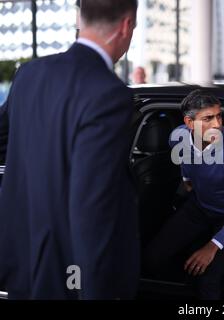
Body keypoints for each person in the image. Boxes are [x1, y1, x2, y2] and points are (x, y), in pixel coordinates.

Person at [0, 0, 140, 299]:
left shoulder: (28, 75)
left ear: (81, 17)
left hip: (22, 268)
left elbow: (5, 141)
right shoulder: (109, 93)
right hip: (69, 277)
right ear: (126, 26)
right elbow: (92, 208)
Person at [143, 89, 224, 299]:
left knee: (208, 283)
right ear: (189, 123)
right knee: (152, 258)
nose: (217, 125)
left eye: (219, 116)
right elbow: (183, 157)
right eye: (208, 118)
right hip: (199, 207)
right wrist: (187, 179)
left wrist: (212, 246)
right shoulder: (177, 138)